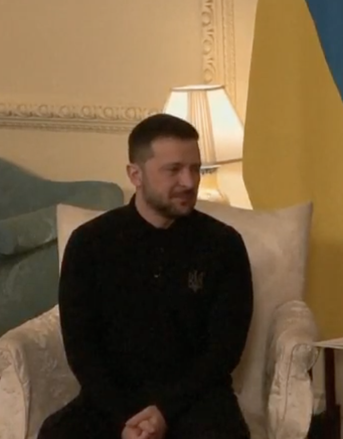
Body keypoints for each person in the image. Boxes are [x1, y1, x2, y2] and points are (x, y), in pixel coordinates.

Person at [38, 114, 254, 439]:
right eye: (174, 169)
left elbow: (224, 351)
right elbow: (81, 348)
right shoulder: (90, 243)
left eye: (195, 168)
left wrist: (163, 412)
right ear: (135, 175)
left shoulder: (223, 244)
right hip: (111, 400)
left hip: (197, 399)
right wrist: (127, 419)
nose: (189, 182)